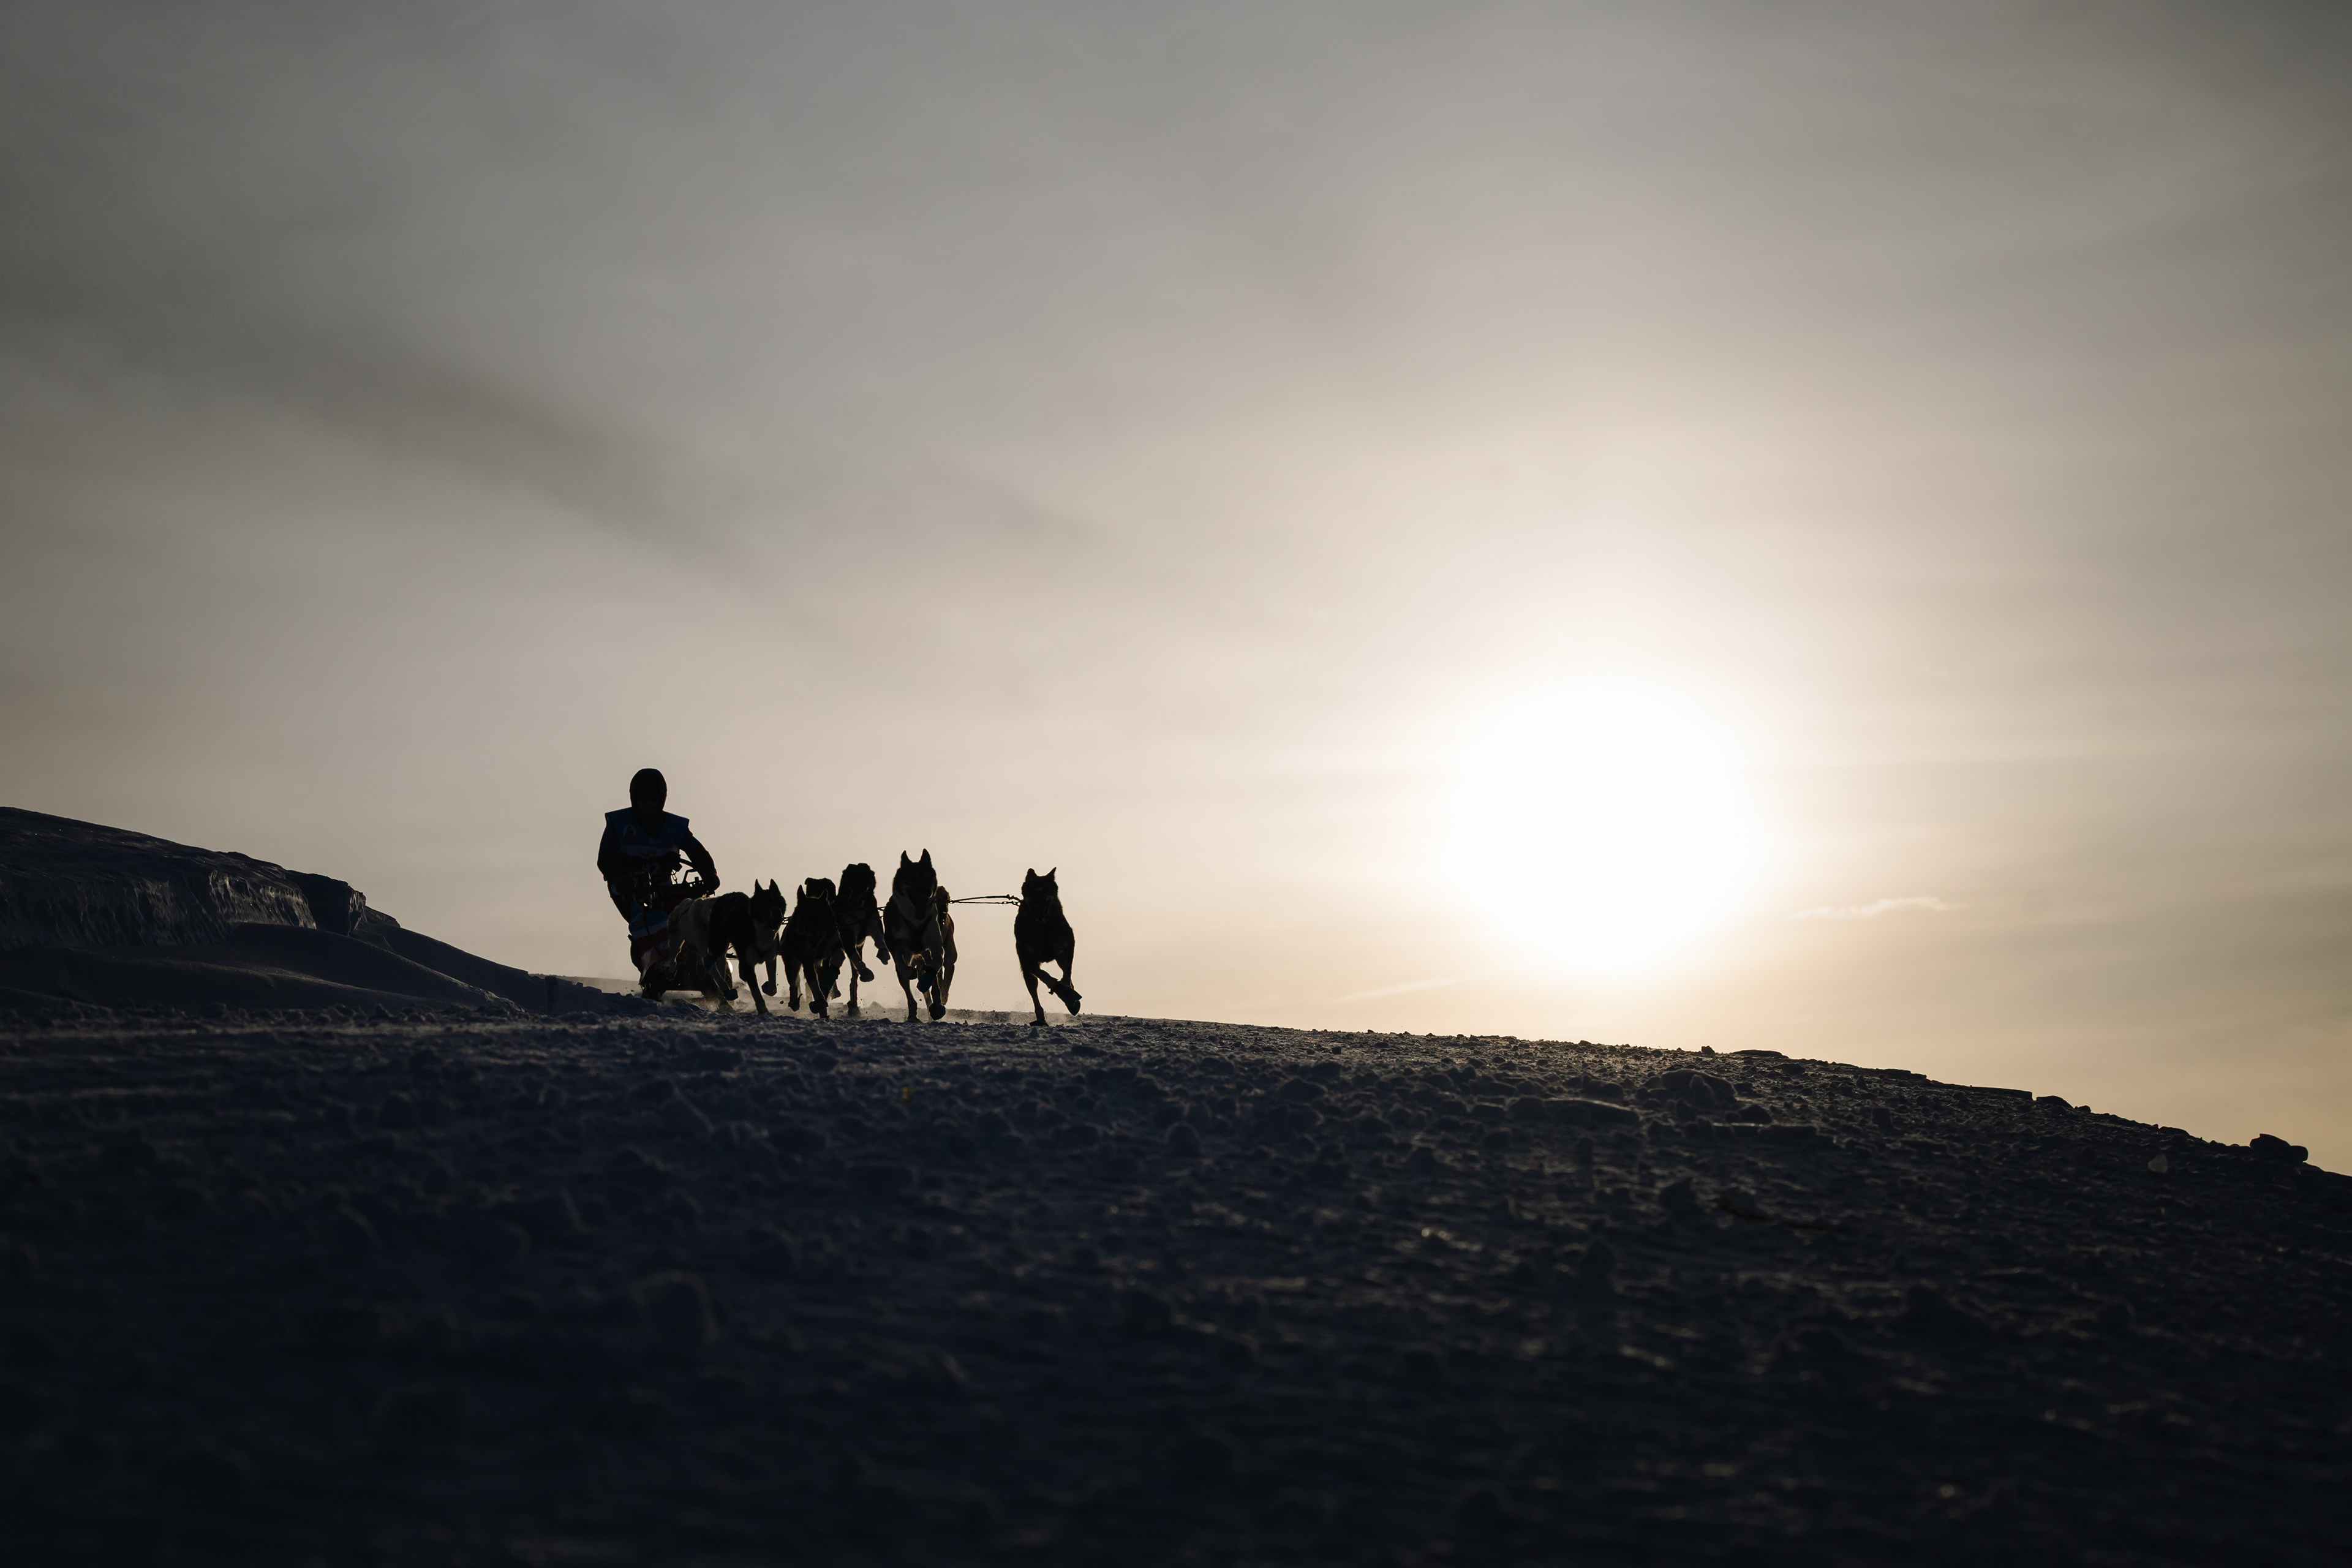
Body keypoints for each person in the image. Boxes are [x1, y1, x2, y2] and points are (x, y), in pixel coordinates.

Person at [597, 768, 719, 973]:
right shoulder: (619, 824)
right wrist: (619, 878)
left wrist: (709, 873)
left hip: (663, 884)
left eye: (653, 800)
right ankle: (649, 956)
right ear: (634, 800)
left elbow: (698, 852)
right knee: (645, 920)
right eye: (643, 801)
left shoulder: (675, 826)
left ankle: (694, 956)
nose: (649, 806)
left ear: (662, 800)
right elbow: (605, 860)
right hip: (627, 888)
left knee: (685, 914)